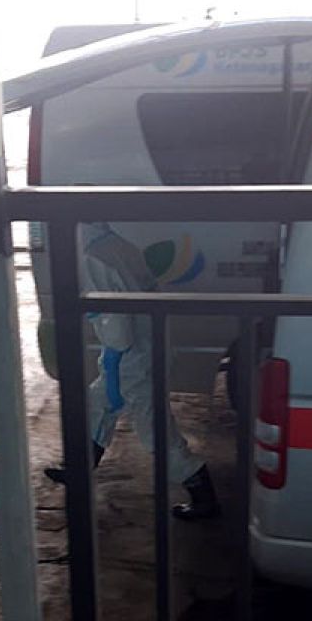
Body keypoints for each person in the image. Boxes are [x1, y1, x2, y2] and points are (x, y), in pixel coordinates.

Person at [45, 222, 220, 521]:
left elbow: (118, 333)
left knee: (155, 430)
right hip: (149, 344)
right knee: (98, 403)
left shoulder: (92, 259)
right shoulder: (118, 245)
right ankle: (80, 468)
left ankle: (201, 491)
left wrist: (113, 360)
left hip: (132, 357)